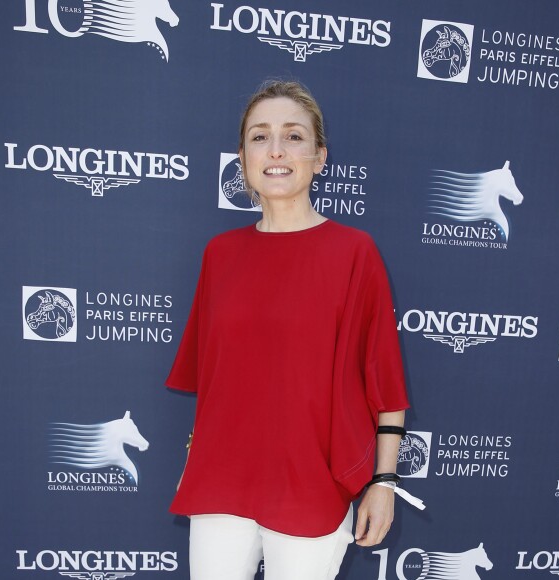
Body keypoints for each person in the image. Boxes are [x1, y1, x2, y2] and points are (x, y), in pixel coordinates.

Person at [166, 80, 410, 580]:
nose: (276, 150)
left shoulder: (355, 253)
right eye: (260, 137)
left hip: (312, 485)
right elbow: (212, 381)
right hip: (221, 482)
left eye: (293, 136)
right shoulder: (220, 254)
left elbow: (385, 382)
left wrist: (383, 481)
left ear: (319, 157)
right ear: (243, 158)